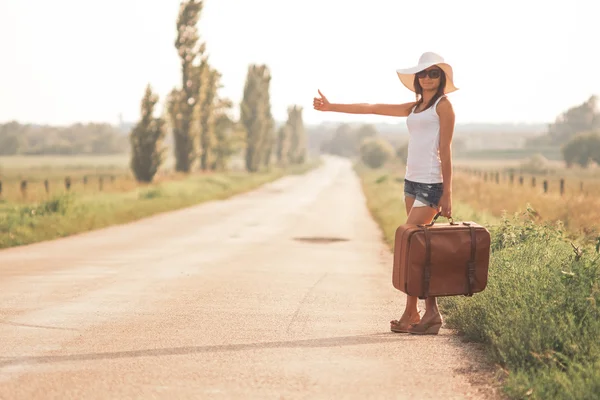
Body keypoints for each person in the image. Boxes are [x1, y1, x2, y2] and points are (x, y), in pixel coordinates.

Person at [313, 51, 457, 335]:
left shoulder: (444, 106)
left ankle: (411, 312)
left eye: (434, 74)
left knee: (408, 241)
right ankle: (428, 314)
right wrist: (331, 108)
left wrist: (448, 192)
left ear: (441, 79)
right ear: (417, 78)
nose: (427, 78)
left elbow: (445, 149)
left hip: (431, 185)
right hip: (411, 182)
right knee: (417, 248)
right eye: (424, 74)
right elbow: (372, 107)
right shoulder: (415, 107)